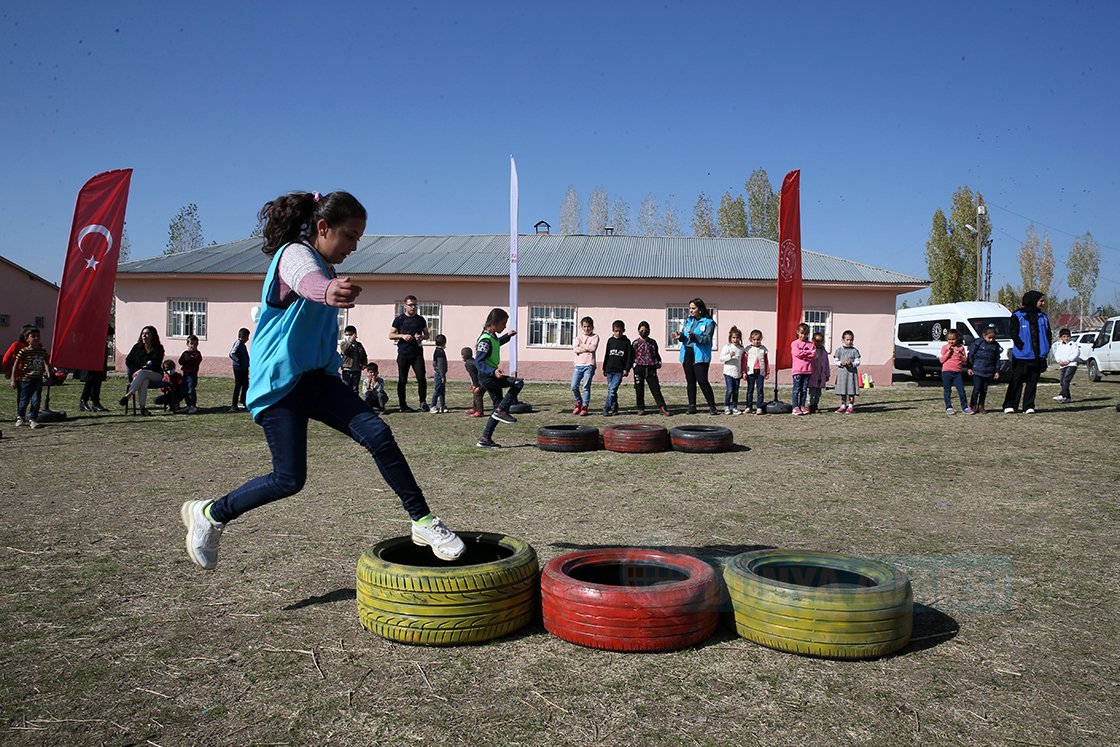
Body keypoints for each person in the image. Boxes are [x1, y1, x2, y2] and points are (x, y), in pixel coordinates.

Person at [180, 190, 464, 572]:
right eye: (349, 235)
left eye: (358, 238)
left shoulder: (325, 266)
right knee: (288, 479)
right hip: (281, 385)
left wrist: (329, 286)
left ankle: (423, 521)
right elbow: (307, 281)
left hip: (318, 378)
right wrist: (328, 291)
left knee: (378, 434)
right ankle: (212, 513)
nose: (353, 245)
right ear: (322, 227)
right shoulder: (295, 254)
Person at [475, 308, 523, 449]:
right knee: (518, 383)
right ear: (494, 323)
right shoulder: (485, 339)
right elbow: (479, 362)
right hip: (488, 377)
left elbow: (496, 343)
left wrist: (507, 336)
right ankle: (502, 410)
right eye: (503, 323)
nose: (504, 326)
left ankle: (485, 438)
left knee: (497, 408)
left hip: (490, 376)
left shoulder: (492, 336)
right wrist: (493, 370)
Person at [1002, 290, 1052, 414]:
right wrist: (1021, 346)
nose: (1043, 303)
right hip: (1021, 356)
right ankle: (1010, 405)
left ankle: (1028, 406)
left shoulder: (1043, 317)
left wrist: (1046, 347)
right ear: (1033, 301)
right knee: (1016, 381)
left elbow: (1048, 334)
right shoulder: (1018, 315)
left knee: (1032, 382)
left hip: (1038, 356)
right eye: (1041, 301)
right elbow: (1013, 333)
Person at [677, 298, 718, 415]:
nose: (691, 310)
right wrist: (679, 336)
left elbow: (707, 339)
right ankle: (692, 406)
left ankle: (712, 406)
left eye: (693, 308)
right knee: (690, 381)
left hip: (700, 355)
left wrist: (695, 337)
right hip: (687, 353)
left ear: (700, 309)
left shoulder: (709, 322)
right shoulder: (688, 321)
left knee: (702, 381)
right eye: (690, 308)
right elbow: (685, 337)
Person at [389, 295, 429, 412]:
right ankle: (403, 405)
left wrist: (422, 336)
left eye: (415, 305)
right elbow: (390, 335)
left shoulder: (420, 319)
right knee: (402, 380)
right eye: (411, 305)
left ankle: (423, 402)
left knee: (421, 378)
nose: (413, 307)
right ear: (405, 306)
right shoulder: (399, 319)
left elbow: (427, 334)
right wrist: (402, 336)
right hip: (403, 353)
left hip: (417, 354)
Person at [119, 325, 166, 416]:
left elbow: (155, 363)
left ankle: (128, 395)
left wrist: (140, 370)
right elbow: (128, 361)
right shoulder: (137, 347)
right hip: (138, 376)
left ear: (153, 336)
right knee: (144, 381)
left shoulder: (159, 348)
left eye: (147, 334)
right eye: (143, 334)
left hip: (155, 374)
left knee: (143, 373)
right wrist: (134, 372)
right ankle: (142, 409)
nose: (144, 336)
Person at [10, 326, 50, 428]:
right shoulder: (24, 351)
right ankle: (21, 417)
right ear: (27, 339)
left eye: (38, 336)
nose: (36, 338)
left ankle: (33, 418)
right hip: (25, 380)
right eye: (33, 336)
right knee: (24, 400)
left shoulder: (42, 351)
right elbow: (15, 365)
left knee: (36, 400)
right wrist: (13, 379)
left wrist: (48, 372)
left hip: (37, 380)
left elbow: (46, 362)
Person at [632, 320, 670, 417]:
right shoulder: (635, 343)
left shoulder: (652, 342)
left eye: (645, 330)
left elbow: (656, 354)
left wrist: (658, 362)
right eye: (641, 330)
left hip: (651, 368)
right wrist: (632, 366)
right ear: (638, 331)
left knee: (655, 388)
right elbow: (632, 356)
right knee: (639, 389)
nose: (643, 332)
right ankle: (640, 408)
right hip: (639, 368)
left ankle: (662, 407)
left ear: (649, 330)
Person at [967, 323, 1002, 413]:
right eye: (989, 337)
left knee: (984, 390)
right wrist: (969, 367)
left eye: (993, 338)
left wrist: (997, 371)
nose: (991, 340)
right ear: (984, 335)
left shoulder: (995, 345)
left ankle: (981, 405)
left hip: (988, 371)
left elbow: (997, 359)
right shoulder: (978, 343)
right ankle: (973, 405)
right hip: (977, 370)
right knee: (977, 389)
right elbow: (971, 355)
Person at [601, 320, 633, 416]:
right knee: (611, 390)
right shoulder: (610, 341)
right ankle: (615, 408)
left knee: (612, 390)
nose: (618, 333)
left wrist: (627, 369)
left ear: (623, 330)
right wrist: (604, 368)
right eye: (616, 331)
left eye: (620, 331)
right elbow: (607, 354)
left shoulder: (626, 342)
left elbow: (629, 357)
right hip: (610, 369)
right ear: (613, 330)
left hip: (619, 371)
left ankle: (606, 408)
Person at [939, 330, 973, 415]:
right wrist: (948, 353)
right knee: (947, 390)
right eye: (949, 339)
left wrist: (959, 355)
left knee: (961, 390)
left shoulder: (961, 347)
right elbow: (941, 360)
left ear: (957, 339)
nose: (951, 341)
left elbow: (965, 361)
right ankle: (949, 407)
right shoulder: (944, 347)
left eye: (953, 339)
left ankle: (965, 407)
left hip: (957, 372)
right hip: (946, 372)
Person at [571, 316, 598, 416]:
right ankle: (578, 402)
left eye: (589, 326)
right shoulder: (578, 338)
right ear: (581, 327)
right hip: (578, 365)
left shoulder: (595, 337)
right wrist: (585, 348)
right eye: (585, 326)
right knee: (574, 386)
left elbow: (592, 348)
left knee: (586, 386)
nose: (587, 329)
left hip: (589, 365)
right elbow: (575, 349)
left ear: (592, 327)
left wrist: (582, 345)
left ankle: (585, 406)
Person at [789, 323, 815, 416]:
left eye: (805, 334)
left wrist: (805, 353)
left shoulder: (810, 344)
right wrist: (807, 353)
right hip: (797, 370)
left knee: (804, 389)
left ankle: (802, 405)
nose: (803, 335)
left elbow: (813, 354)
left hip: (807, 370)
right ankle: (795, 407)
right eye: (801, 333)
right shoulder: (794, 343)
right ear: (797, 332)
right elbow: (797, 354)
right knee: (797, 389)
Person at [833, 330, 861, 414]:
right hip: (842, 373)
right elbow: (835, 360)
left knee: (851, 389)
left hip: (851, 374)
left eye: (851, 340)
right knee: (843, 389)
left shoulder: (854, 350)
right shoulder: (839, 350)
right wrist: (841, 363)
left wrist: (852, 363)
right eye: (847, 340)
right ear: (843, 340)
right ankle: (842, 405)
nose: (849, 341)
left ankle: (851, 406)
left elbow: (858, 361)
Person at [719, 326, 745, 415]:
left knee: (736, 391)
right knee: (730, 390)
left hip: (737, 372)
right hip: (728, 372)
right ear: (730, 338)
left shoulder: (741, 349)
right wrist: (729, 356)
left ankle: (734, 407)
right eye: (734, 337)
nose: (735, 339)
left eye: (737, 338)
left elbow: (742, 361)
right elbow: (721, 358)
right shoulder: (727, 347)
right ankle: (726, 406)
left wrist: (743, 372)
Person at [743, 329, 769, 415]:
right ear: (751, 340)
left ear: (761, 339)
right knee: (750, 390)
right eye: (754, 340)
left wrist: (767, 372)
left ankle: (759, 407)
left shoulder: (763, 349)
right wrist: (744, 372)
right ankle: (748, 406)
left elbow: (766, 361)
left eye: (758, 339)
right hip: (750, 372)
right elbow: (744, 361)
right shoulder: (748, 349)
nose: (756, 341)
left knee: (760, 389)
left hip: (760, 372)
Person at [1052, 328, 1080, 404]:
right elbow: (1057, 354)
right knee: (1062, 381)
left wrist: (1068, 361)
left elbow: (1076, 353)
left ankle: (1062, 395)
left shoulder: (1073, 345)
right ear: (1061, 337)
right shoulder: (1059, 345)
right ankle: (1068, 397)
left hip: (1071, 365)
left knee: (1066, 380)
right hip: (1063, 365)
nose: (1066, 338)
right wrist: (1059, 361)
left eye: (1067, 336)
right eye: (1064, 336)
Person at [807, 331, 831, 414]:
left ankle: (815, 405)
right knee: (811, 392)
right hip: (812, 375)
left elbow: (826, 363)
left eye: (821, 341)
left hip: (821, 375)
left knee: (818, 393)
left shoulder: (824, 352)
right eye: (817, 341)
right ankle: (810, 405)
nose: (819, 343)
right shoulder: (811, 350)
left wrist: (827, 374)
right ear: (813, 340)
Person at [339, 325, 368, 394]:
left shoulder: (358, 345)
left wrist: (364, 364)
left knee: (355, 388)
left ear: (355, 335)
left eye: (350, 335)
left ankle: (355, 404)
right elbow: (345, 351)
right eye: (346, 335)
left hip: (357, 370)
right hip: (347, 369)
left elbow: (364, 355)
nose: (348, 336)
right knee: (346, 388)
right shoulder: (343, 343)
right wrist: (350, 342)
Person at [178, 334, 203, 414]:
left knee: (191, 389)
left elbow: (197, 361)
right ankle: (188, 405)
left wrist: (190, 359)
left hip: (192, 374)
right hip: (185, 374)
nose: (193, 346)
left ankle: (193, 405)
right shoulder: (185, 353)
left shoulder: (197, 354)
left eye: (195, 344)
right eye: (191, 344)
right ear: (187, 344)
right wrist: (185, 358)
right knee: (185, 390)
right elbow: (180, 361)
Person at [229, 327, 251, 412]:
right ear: (244, 336)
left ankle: (242, 402)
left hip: (244, 368)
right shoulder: (238, 343)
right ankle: (234, 405)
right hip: (238, 368)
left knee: (245, 384)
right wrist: (239, 361)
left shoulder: (242, 344)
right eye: (247, 337)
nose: (248, 339)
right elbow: (232, 353)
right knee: (238, 385)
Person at [462, 346, 485, 417]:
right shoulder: (472, 361)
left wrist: (476, 386)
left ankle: (479, 412)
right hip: (481, 380)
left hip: (483, 381)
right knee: (475, 394)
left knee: (478, 394)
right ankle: (474, 408)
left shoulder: (468, 364)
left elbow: (474, 376)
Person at [429, 334, 448, 413]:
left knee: (442, 391)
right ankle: (433, 406)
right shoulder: (439, 352)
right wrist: (442, 375)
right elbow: (440, 364)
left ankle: (442, 406)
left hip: (440, 373)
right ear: (444, 343)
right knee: (437, 390)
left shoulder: (438, 351)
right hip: (439, 374)